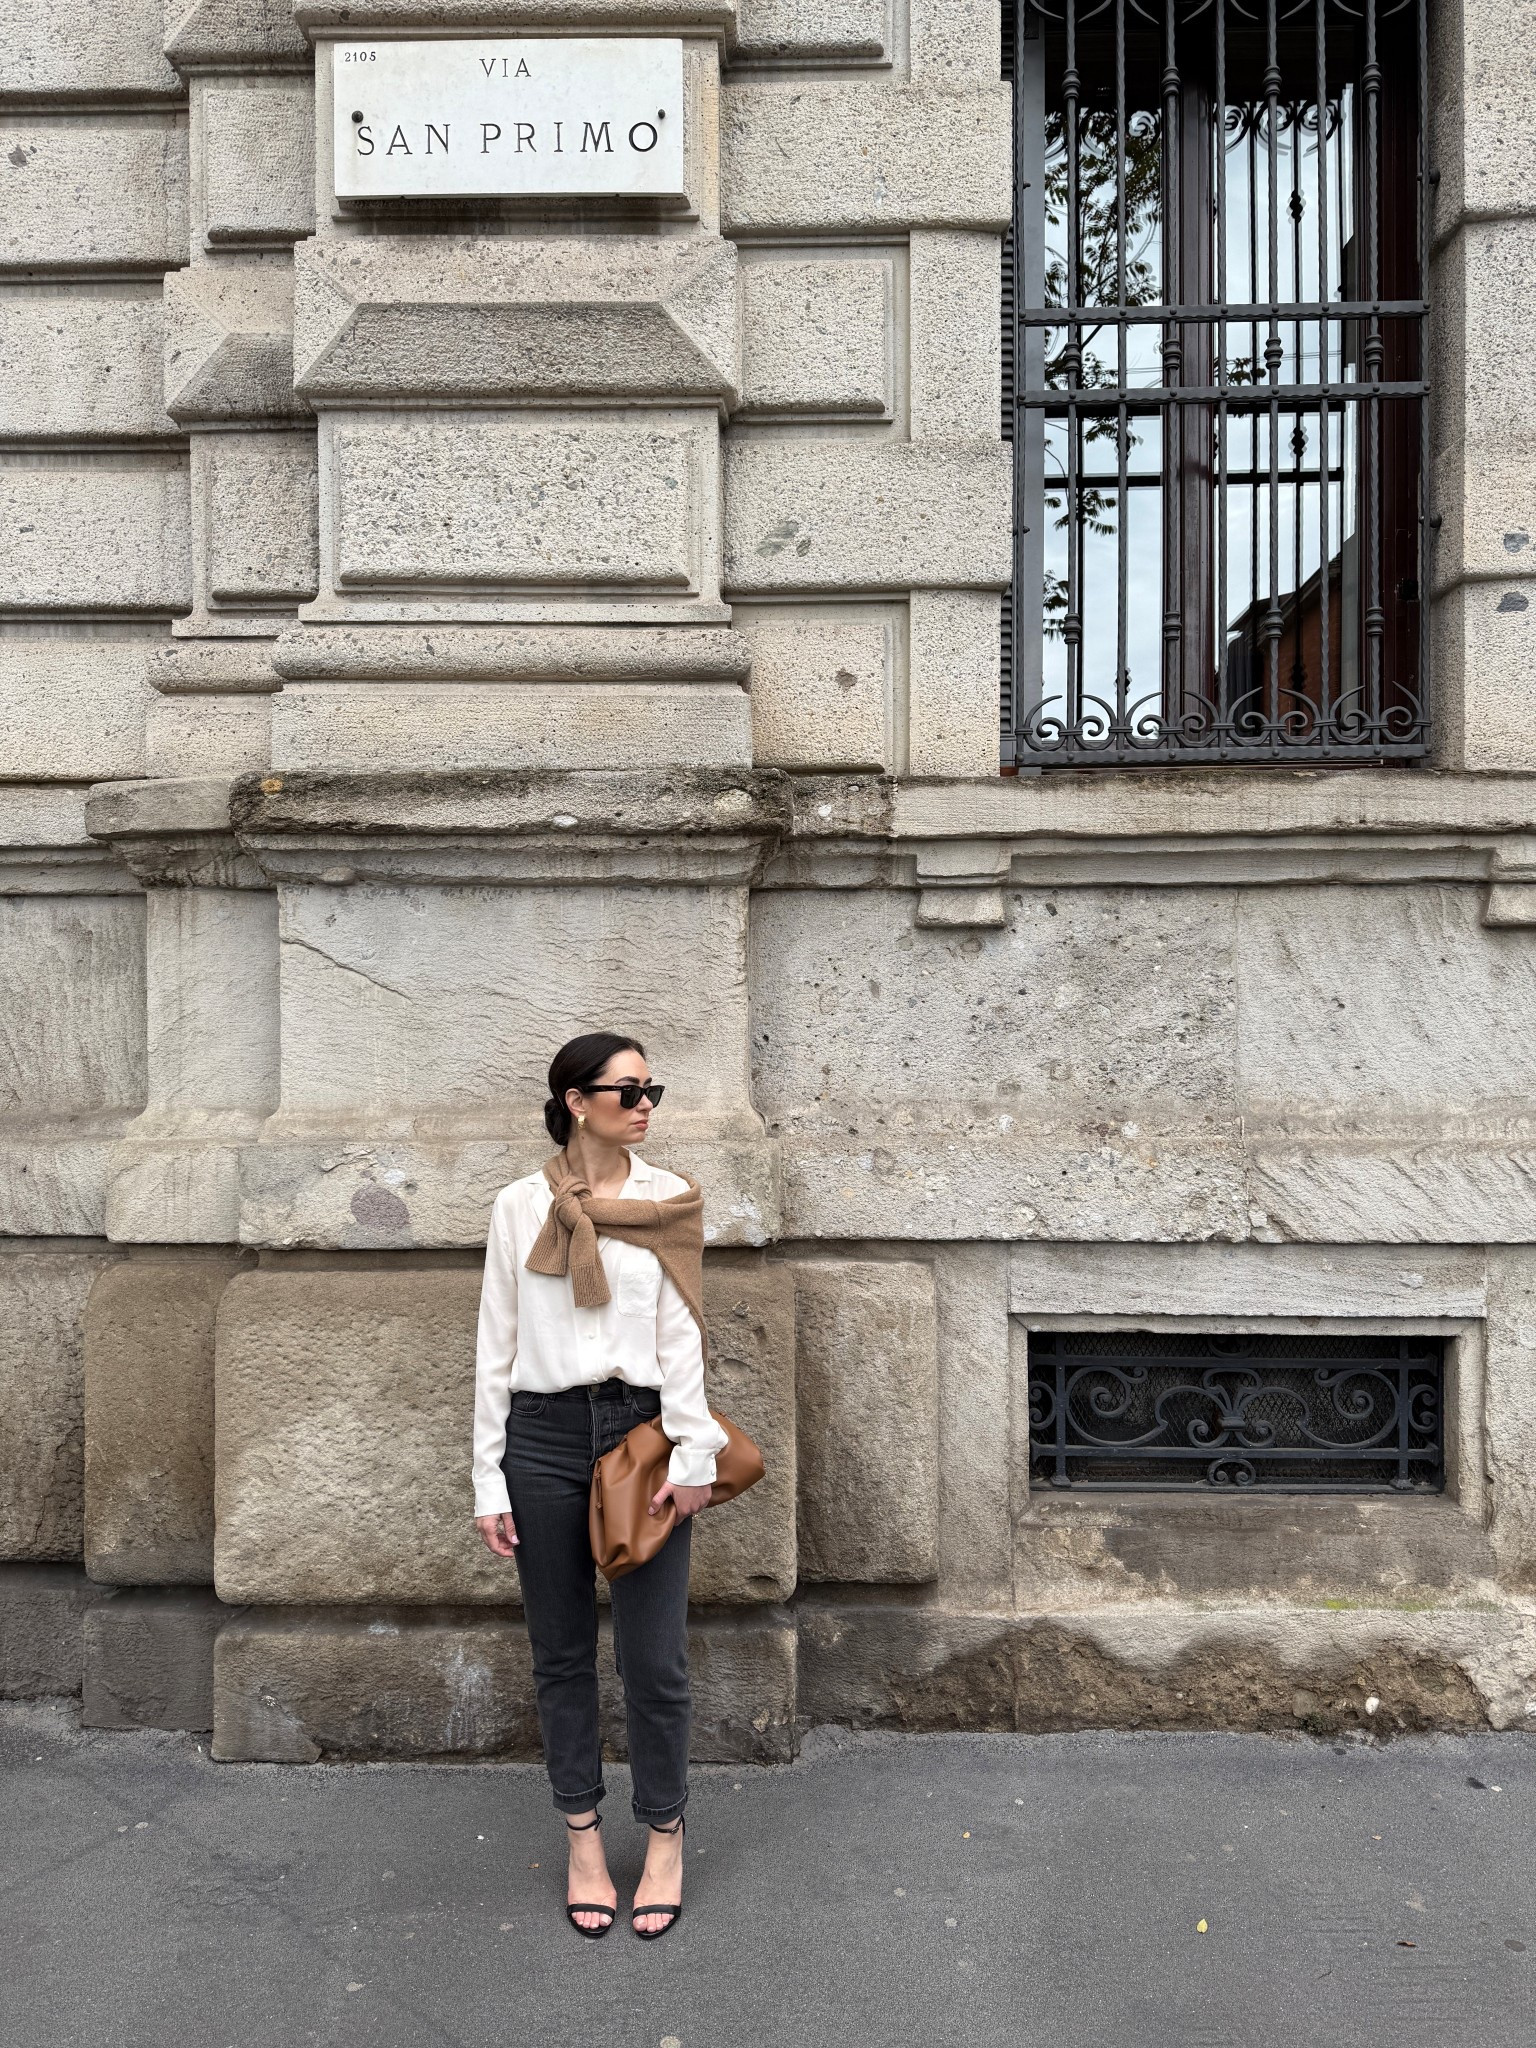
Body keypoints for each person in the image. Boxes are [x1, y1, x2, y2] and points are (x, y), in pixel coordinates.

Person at [472, 1031, 728, 1941]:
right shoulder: (517, 1208)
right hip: (538, 1439)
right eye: (627, 1091)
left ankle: (664, 1835)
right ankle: (583, 1839)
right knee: (562, 1655)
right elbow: (495, 1347)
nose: (646, 1104)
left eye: (652, 1089)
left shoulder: (669, 1203)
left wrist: (694, 1457)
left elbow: (683, 1338)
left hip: (640, 1437)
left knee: (654, 1660)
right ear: (577, 1102)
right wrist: (487, 1479)